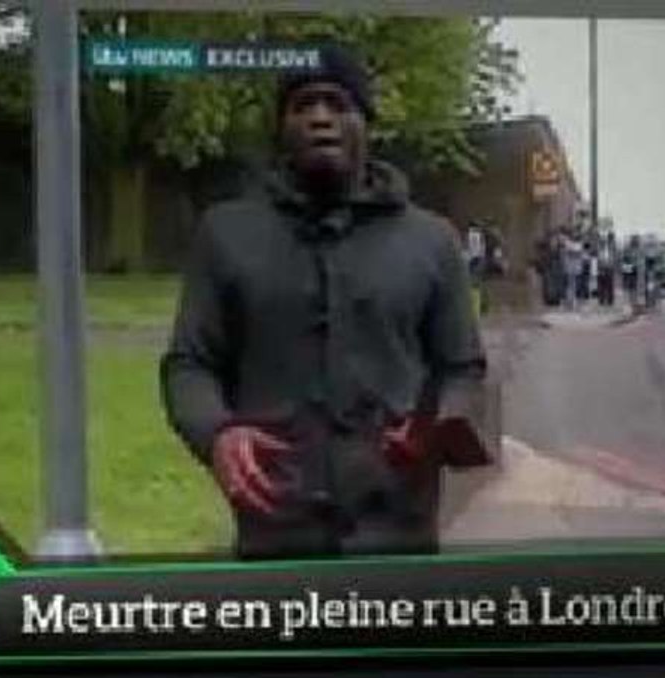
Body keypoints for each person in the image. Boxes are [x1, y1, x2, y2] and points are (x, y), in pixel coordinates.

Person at [160, 44, 489, 560]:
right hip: (275, 533)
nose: (320, 118)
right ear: (281, 129)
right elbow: (190, 364)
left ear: (366, 123)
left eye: (337, 104)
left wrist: (439, 425)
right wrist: (217, 434)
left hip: (398, 534)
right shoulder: (225, 234)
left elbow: (463, 368)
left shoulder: (432, 241)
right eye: (303, 105)